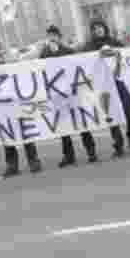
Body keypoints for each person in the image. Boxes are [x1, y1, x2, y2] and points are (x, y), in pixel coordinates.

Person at [82, 19, 130, 157]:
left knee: (129, 112)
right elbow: (84, 62)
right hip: (103, 86)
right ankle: (118, 144)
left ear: (105, 28)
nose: (98, 30)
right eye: (95, 28)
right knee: (110, 115)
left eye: (100, 27)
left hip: (119, 83)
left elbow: (127, 55)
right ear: (92, 31)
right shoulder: (88, 47)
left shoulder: (114, 42)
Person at [0, 41, 42, 177]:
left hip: (15, 106)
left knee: (25, 133)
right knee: (6, 136)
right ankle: (12, 165)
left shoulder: (7, 66)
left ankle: (33, 161)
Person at [42, 25, 98, 167]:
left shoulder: (68, 51)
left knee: (80, 122)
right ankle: (68, 155)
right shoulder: (44, 52)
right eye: (50, 36)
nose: (52, 38)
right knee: (63, 126)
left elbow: (75, 66)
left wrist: (58, 53)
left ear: (59, 37)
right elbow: (43, 69)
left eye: (54, 35)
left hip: (72, 93)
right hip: (57, 95)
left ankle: (91, 151)